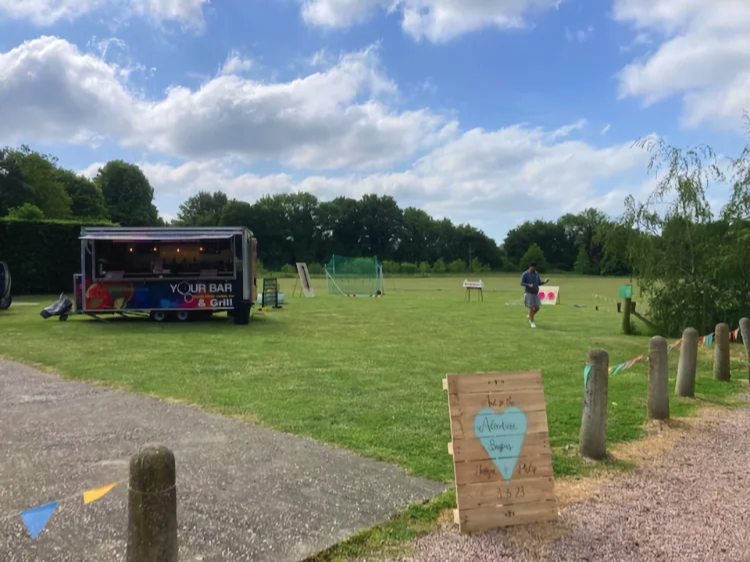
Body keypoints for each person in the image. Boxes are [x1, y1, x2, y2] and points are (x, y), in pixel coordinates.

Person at [520, 262, 549, 328]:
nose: (536, 269)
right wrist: (528, 285)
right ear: (531, 266)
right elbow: (521, 283)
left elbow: (538, 282)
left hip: (535, 293)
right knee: (531, 308)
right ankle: (532, 322)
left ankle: (530, 315)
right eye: (535, 267)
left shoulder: (536, 274)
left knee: (537, 307)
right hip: (529, 293)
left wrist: (544, 282)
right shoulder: (525, 274)